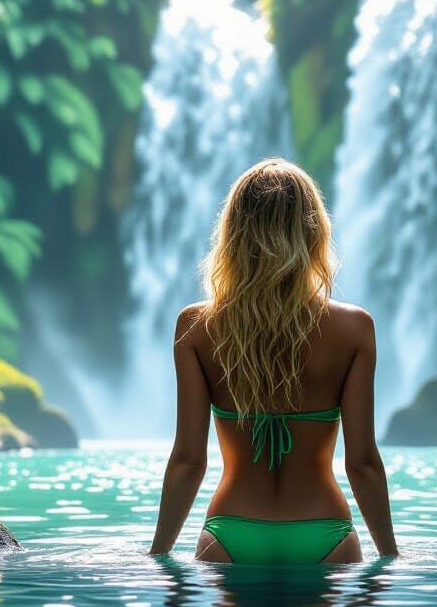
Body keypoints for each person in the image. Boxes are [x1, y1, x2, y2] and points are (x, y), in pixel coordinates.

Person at [148, 158, 398, 564]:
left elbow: (189, 460)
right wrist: (390, 556)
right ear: (313, 231)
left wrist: (157, 554)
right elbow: (363, 463)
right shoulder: (355, 329)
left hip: (229, 534)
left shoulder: (195, 327)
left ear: (233, 233)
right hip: (325, 532)